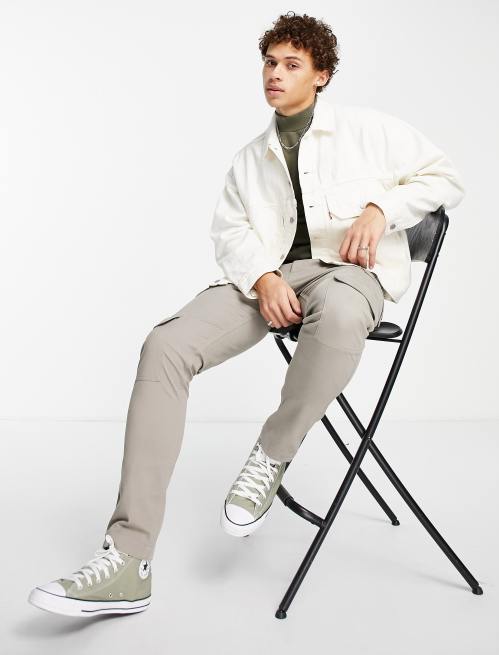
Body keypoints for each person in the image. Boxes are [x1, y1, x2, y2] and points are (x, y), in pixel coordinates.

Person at [28, 11, 465, 617]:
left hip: (350, 275)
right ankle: (128, 559)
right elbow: (231, 233)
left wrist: (379, 210)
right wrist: (262, 277)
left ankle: (272, 452)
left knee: (341, 314)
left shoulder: (371, 131)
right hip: (270, 280)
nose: (274, 75)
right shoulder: (248, 159)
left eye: (291, 65)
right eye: (269, 63)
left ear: (322, 74)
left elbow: (445, 178)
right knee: (165, 347)